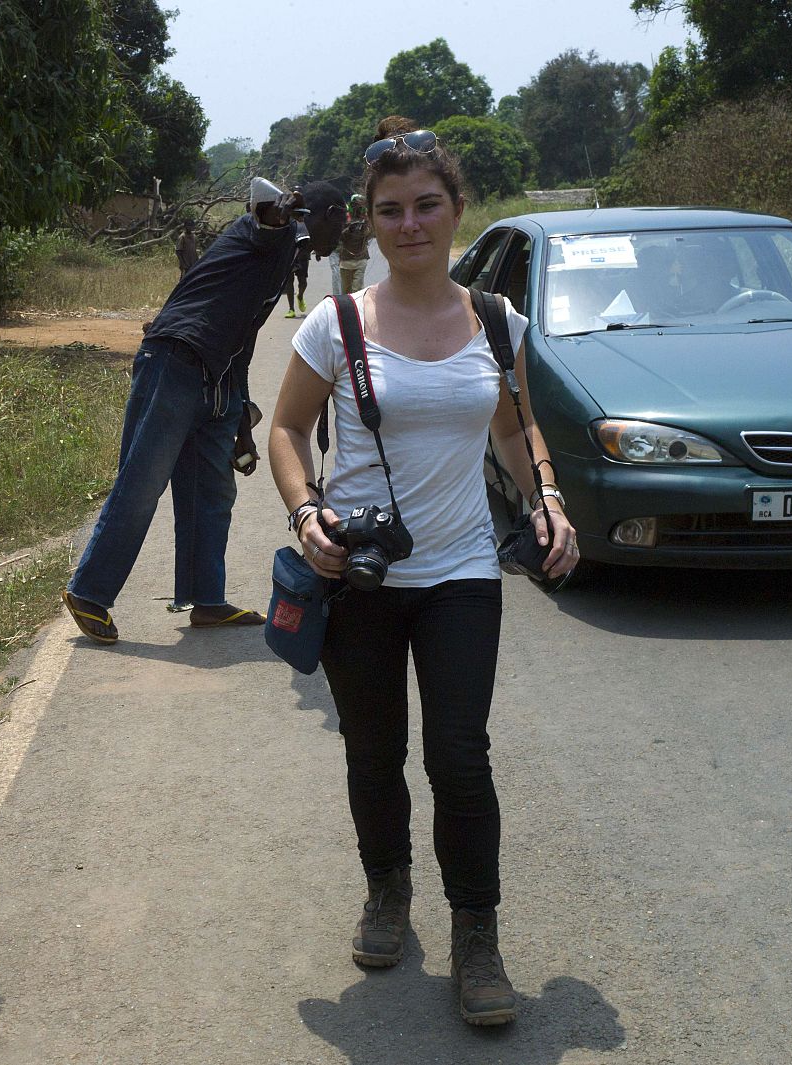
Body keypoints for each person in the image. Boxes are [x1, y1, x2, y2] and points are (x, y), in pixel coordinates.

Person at [267, 117, 579, 1027]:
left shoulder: (493, 319)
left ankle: (476, 937)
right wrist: (305, 511)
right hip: (359, 578)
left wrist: (548, 499)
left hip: (461, 574)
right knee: (374, 751)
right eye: (391, 210)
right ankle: (386, 891)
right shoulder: (338, 324)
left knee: (460, 755)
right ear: (369, 221)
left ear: (457, 210)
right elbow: (285, 431)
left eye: (427, 206)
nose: (411, 224)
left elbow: (515, 428)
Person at [61, 176, 346, 643]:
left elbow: (244, 337)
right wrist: (279, 213)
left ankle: (206, 599)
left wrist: (240, 417)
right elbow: (264, 224)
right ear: (326, 214)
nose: (346, 237)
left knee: (212, 492)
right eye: (344, 224)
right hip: (175, 360)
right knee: (142, 482)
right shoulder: (273, 232)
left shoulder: (284, 258)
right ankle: (88, 592)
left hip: (216, 377)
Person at [337, 193, 371, 294]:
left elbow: (371, 235)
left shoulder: (366, 222)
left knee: (357, 289)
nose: (357, 208)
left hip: (361, 259)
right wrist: (349, 230)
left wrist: (364, 226)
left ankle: (357, 309)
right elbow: (339, 238)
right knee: (346, 290)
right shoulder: (344, 220)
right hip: (346, 260)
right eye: (355, 205)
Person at [284, 221, 312, 318]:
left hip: (302, 256)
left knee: (303, 282)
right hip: (289, 256)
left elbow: (311, 240)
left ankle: (300, 296)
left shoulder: (305, 223)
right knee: (289, 282)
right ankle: (291, 309)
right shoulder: (286, 222)